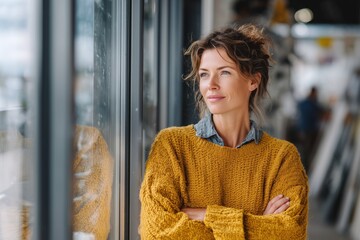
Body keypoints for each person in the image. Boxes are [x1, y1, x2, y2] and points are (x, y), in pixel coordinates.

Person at [139, 24, 308, 239]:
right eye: (204, 74)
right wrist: (260, 222)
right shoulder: (171, 146)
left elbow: (290, 233)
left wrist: (206, 215)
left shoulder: (282, 157)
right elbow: (156, 232)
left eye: (225, 72)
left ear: (253, 81)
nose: (211, 84)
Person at [296, 86, 323, 172]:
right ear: (313, 93)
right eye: (315, 93)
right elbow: (315, 113)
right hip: (308, 130)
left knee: (305, 149)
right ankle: (306, 168)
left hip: (304, 129)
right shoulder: (310, 104)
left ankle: (305, 167)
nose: (316, 95)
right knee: (307, 150)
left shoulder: (305, 103)